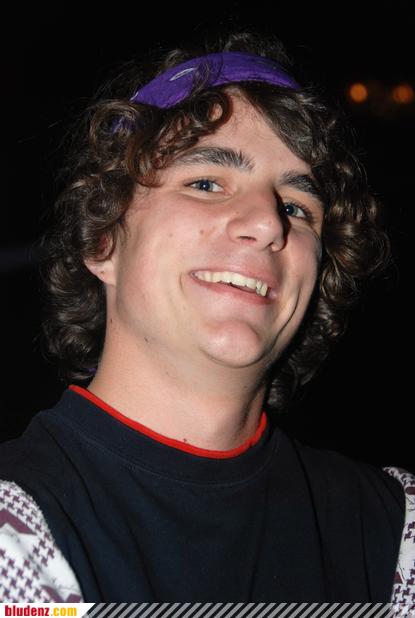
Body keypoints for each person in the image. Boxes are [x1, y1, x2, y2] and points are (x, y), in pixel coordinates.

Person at [0, 28, 414, 606]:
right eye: (206, 183)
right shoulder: (17, 533)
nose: (268, 223)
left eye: (297, 206)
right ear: (103, 240)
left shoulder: (394, 532)